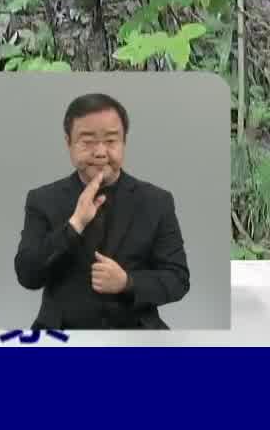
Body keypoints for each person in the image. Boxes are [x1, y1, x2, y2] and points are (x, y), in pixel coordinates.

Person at [12, 92, 191, 329]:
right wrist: (75, 224)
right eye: (87, 141)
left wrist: (127, 282)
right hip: (62, 332)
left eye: (111, 140)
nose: (100, 152)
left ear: (124, 141)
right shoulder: (42, 199)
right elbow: (27, 275)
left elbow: (178, 279)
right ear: (69, 143)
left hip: (135, 332)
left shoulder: (156, 201)